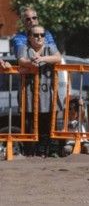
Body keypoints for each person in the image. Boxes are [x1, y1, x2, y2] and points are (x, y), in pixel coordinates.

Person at [17, 25, 62, 157]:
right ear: (29, 37)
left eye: (42, 35)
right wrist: (30, 63)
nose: (39, 37)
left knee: (48, 125)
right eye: (36, 35)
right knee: (29, 125)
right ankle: (30, 153)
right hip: (29, 94)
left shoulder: (49, 47)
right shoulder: (24, 48)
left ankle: (48, 152)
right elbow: (21, 60)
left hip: (48, 94)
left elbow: (58, 57)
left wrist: (42, 59)